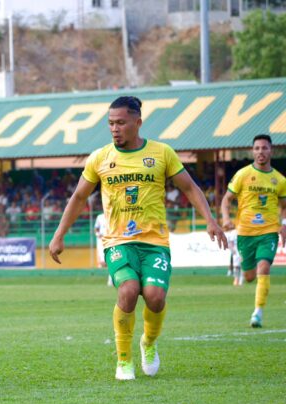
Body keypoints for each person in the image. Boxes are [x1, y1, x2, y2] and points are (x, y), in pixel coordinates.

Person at [49, 96, 227, 381]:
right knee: (128, 291)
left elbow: (190, 188)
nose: (114, 129)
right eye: (110, 123)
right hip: (118, 242)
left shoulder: (162, 153)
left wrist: (211, 221)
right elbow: (79, 196)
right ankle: (123, 360)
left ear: (137, 122)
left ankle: (148, 342)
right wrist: (59, 235)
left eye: (120, 122)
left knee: (155, 298)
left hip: (155, 242)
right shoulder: (100, 157)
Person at [220, 134, 286, 328]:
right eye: (257, 148)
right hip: (245, 233)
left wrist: (283, 224)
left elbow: (284, 205)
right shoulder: (243, 174)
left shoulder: (279, 180)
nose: (260, 152)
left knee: (264, 268)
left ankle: (258, 312)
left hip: (268, 232)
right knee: (249, 276)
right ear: (252, 151)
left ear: (271, 151)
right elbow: (226, 200)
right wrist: (225, 218)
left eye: (264, 148)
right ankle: (254, 293)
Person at [94, 210, 113, 286]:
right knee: (103, 262)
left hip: (111, 239)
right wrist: (97, 234)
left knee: (111, 259)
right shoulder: (100, 217)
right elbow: (96, 228)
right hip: (101, 240)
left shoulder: (112, 216)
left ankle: (110, 280)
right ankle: (110, 278)